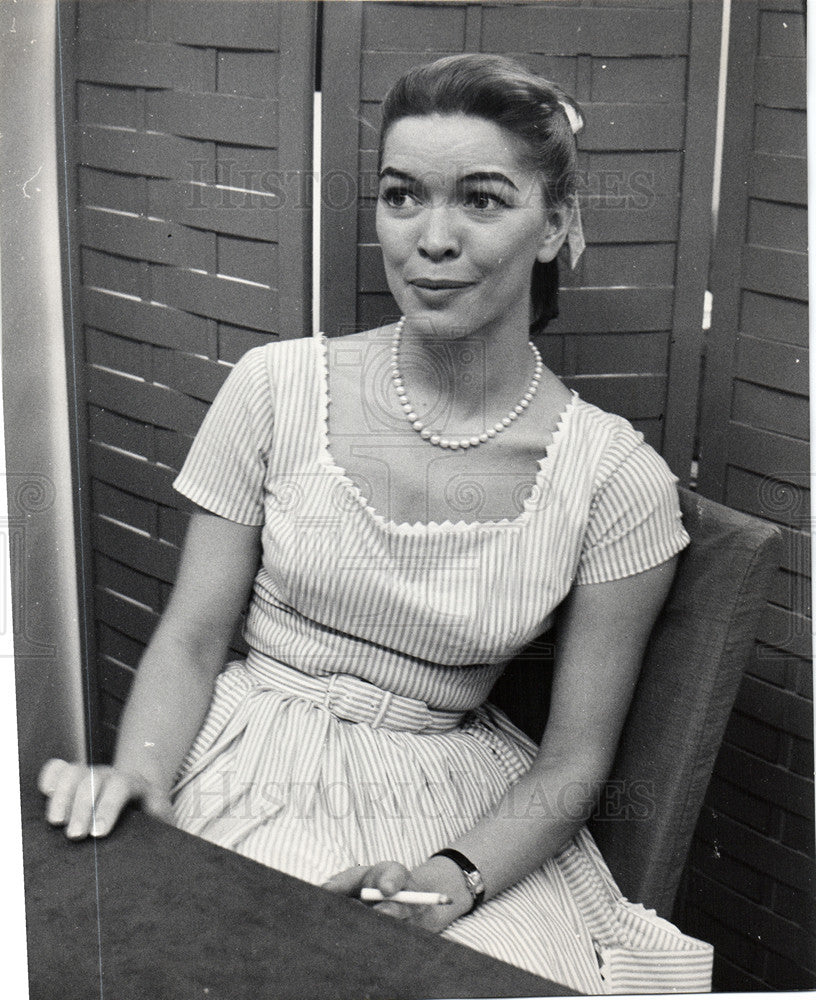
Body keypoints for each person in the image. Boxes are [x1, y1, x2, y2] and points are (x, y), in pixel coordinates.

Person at [39, 54, 712, 993]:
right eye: (402, 197)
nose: (431, 240)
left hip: (459, 810)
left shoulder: (613, 480)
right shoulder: (274, 389)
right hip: (250, 757)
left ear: (555, 225)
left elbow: (574, 761)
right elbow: (193, 638)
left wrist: (446, 883)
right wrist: (144, 784)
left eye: (482, 201)